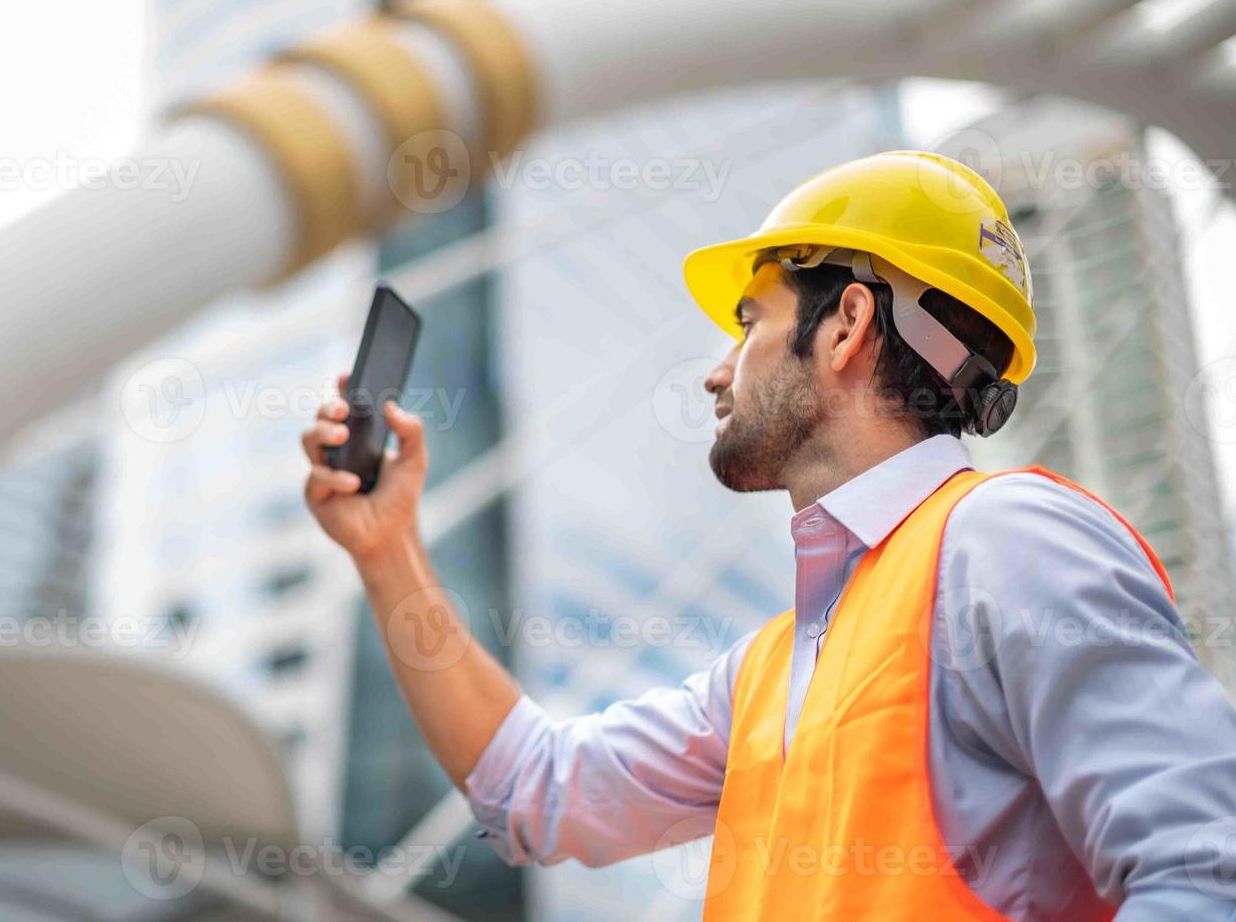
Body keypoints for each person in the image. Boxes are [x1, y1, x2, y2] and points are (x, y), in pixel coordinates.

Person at [300, 152, 1236, 919]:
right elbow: (536, 790)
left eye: (749, 321)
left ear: (846, 327)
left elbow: (1204, 870)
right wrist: (388, 552)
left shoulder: (1006, 541)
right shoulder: (771, 672)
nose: (716, 371)